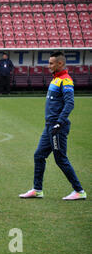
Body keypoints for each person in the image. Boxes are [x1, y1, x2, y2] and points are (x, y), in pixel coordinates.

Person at [19, 52, 86, 201]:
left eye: (51, 63)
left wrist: (59, 122)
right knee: (39, 155)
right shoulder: (55, 80)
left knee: (60, 159)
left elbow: (70, 103)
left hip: (57, 127)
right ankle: (37, 189)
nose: (48, 66)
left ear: (60, 64)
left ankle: (79, 191)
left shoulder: (66, 81)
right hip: (49, 126)